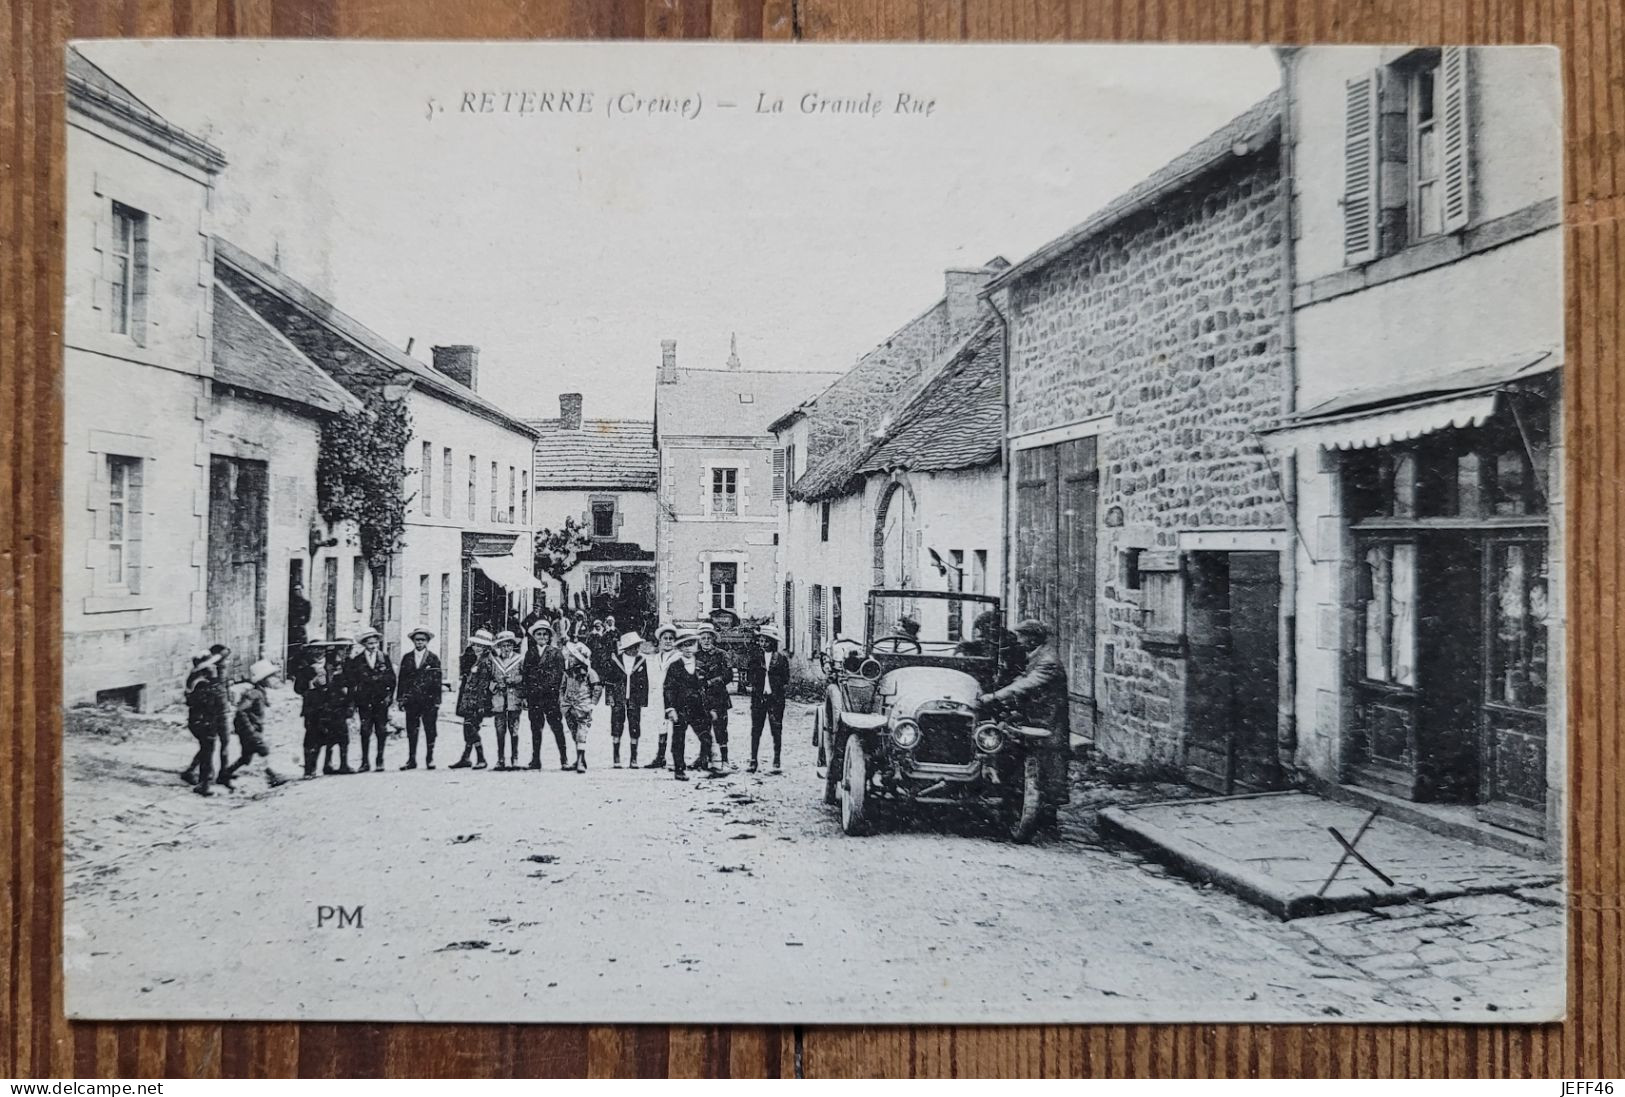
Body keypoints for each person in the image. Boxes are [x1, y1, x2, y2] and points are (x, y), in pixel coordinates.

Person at [977, 619, 1070, 818]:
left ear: (1033, 638)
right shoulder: (1039, 654)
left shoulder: (1048, 660)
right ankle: (1008, 791)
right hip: (1035, 714)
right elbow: (1024, 677)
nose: (1019, 640)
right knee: (1006, 737)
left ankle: (1045, 812)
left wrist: (995, 696)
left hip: (1047, 718)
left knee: (1049, 761)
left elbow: (1029, 683)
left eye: (1022, 636)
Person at [663, 629, 715, 781]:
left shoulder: (701, 665)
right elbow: (668, 689)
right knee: (679, 738)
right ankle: (679, 769)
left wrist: (711, 707)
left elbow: (708, 688)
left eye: (691, 644)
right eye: (684, 645)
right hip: (681, 707)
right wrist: (670, 708)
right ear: (679, 648)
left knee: (706, 737)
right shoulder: (674, 666)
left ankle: (705, 762)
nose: (688, 648)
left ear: (696, 646)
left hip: (699, 707)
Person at [220, 658, 279, 786]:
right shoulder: (254, 693)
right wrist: (250, 730)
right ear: (263, 679)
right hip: (249, 730)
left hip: (253, 728)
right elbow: (240, 710)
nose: (273, 679)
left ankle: (225, 774)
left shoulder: (260, 693)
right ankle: (273, 777)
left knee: (246, 757)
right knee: (263, 751)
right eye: (270, 677)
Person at [521, 619, 568, 770]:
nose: (541, 637)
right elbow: (526, 676)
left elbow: (557, 676)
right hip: (534, 697)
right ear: (534, 637)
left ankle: (564, 758)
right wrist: (526, 696)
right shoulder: (530, 653)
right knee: (536, 728)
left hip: (550, 697)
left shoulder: (556, 653)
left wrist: (547, 689)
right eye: (538, 634)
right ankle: (536, 760)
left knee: (557, 727)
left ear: (549, 637)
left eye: (544, 634)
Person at [347, 628, 396, 773]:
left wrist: (389, 697)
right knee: (365, 730)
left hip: (381, 701)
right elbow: (353, 682)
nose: (373, 646)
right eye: (370, 643)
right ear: (364, 644)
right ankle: (365, 762)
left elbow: (392, 679)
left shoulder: (384, 657)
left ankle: (380, 760)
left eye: (375, 643)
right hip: (364, 702)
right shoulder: (358, 660)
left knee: (381, 730)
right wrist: (355, 701)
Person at [396, 626, 443, 770]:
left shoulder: (433, 658)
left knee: (430, 729)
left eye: (422, 640)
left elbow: (437, 681)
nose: (419, 643)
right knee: (412, 729)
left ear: (427, 641)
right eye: (417, 640)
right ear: (413, 641)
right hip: (412, 701)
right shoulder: (407, 658)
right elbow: (402, 679)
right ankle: (411, 759)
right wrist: (400, 698)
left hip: (428, 700)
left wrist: (437, 700)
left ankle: (430, 758)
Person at [746, 627, 790, 774]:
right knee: (756, 730)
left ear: (772, 642)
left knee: (776, 729)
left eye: (766, 641)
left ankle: (777, 760)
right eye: (761, 641)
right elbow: (749, 676)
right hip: (759, 699)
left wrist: (775, 689)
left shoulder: (781, 658)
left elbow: (785, 678)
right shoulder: (754, 657)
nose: (763, 644)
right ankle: (753, 760)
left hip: (775, 699)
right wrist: (758, 685)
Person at [182, 650, 225, 796]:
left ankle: (192, 773)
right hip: (202, 721)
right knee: (207, 749)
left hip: (203, 720)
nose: (214, 668)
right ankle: (203, 783)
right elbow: (210, 702)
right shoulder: (200, 683)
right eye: (211, 665)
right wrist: (215, 683)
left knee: (206, 749)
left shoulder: (199, 679)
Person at [603, 631, 648, 768]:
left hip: (634, 700)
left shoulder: (641, 660)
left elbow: (645, 682)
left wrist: (643, 700)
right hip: (618, 699)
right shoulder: (616, 660)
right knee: (617, 725)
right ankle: (616, 757)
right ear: (626, 648)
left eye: (637, 646)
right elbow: (609, 681)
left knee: (634, 726)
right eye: (633, 647)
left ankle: (633, 758)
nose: (636, 650)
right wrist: (609, 697)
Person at [451, 629, 493, 769]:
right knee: (470, 727)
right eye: (475, 644)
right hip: (469, 700)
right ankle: (466, 757)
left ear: (486, 647)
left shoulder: (486, 662)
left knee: (470, 726)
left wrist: (481, 704)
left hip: (478, 702)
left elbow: (483, 685)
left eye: (480, 645)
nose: (477, 647)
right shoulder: (474, 659)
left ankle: (481, 758)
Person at [695, 623, 734, 767]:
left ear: (713, 639)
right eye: (703, 638)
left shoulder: (722, 654)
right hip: (701, 698)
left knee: (721, 729)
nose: (706, 641)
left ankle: (725, 760)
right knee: (703, 729)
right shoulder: (695, 655)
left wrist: (712, 682)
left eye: (709, 638)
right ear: (699, 640)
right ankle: (704, 759)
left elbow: (728, 675)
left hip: (719, 697)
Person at [486, 630, 526, 770]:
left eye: (509, 645)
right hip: (498, 700)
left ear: (513, 646)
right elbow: (488, 678)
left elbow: (524, 677)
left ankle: (514, 758)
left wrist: (513, 680)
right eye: (503, 646)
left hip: (514, 698)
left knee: (514, 730)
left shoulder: (519, 659)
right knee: (500, 730)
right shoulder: (494, 660)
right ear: (499, 647)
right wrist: (495, 685)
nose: (506, 648)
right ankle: (500, 759)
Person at [642, 622, 679, 769]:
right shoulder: (654, 658)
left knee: (678, 726)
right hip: (659, 695)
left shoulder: (678, 657)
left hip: (676, 697)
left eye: (671, 638)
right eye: (665, 638)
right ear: (660, 641)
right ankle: (661, 757)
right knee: (661, 725)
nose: (668, 641)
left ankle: (678, 758)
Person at [560, 640, 600, 772]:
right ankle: (580, 759)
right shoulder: (567, 672)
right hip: (569, 708)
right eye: (570, 656)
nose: (570, 659)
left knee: (581, 733)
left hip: (583, 707)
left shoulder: (589, 672)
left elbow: (597, 688)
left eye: (573, 656)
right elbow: (562, 687)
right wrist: (562, 701)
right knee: (574, 733)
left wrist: (593, 703)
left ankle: (580, 763)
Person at [320, 640, 356, 775]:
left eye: (348, 648)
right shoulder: (328, 663)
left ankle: (343, 764)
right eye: (342, 648)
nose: (345, 651)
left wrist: (351, 705)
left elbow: (353, 684)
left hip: (342, 703)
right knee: (328, 735)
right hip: (327, 703)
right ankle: (327, 764)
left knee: (343, 735)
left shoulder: (350, 663)